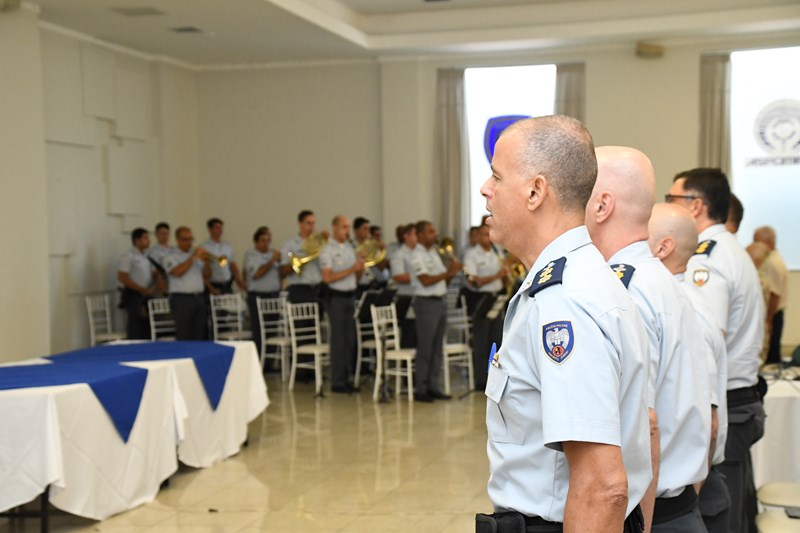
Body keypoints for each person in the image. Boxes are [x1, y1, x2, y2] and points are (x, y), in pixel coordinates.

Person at [477, 116, 651, 532]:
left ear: (535, 191)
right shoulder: (571, 282)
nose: (485, 189)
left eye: (496, 176)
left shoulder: (564, 301)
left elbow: (602, 487)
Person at [586, 146, 711, 532]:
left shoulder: (625, 289)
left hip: (654, 515)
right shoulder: (657, 278)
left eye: (582, 192)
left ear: (603, 205)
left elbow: (648, 426)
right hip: (678, 503)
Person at [668, 167, 765, 533]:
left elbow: (706, 339)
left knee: (723, 515)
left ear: (695, 206)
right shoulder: (728, 248)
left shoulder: (707, 258)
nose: (665, 206)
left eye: (671, 198)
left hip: (728, 404)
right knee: (736, 511)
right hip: (740, 398)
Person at [648, 203, 730, 533]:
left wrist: (686, 499)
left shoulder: (683, 308)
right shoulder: (682, 300)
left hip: (680, 504)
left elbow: (709, 421)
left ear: (663, 247)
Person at [409, 220, 461, 403]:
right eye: (431, 231)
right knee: (426, 348)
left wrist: (452, 272)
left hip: (440, 301)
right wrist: (448, 273)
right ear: (421, 235)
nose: (435, 234)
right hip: (426, 304)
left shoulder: (433, 254)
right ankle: (420, 388)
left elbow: (441, 282)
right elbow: (425, 280)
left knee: (437, 347)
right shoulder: (416, 255)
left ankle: (433, 386)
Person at [319, 215, 364, 394]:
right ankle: (337, 381)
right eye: (344, 227)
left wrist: (360, 268)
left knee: (350, 340)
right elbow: (328, 277)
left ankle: (347, 378)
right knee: (338, 340)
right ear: (335, 228)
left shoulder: (349, 248)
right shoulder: (327, 250)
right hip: (335, 298)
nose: (348, 231)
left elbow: (355, 278)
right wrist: (352, 269)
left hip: (350, 295)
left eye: (349, 227)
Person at [462, 223, 506, 390]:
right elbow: (474, 282)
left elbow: (503, 273)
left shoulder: (497, 251)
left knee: (497, 341)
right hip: (481, 299)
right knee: (481, 341)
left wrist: (504, 277)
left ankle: (496, 379)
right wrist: (496, 276)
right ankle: (481, 380)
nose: (487, 238)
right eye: (483, 234)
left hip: (497, 298)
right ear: (477, 237)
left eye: (489, 234)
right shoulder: (471, 255)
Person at [164, 226, 211, 340]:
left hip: (199, 297)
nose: (189, 242)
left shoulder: (196, 256)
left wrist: (206, 262)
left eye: (190, 239)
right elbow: (177, 272)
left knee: (200, 332)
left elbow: (208, 275)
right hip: (181, 299)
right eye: (185, 239)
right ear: (178, 240)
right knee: (184, 332)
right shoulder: (170, 256)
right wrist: (193, 257)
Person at [244, 226, 282, 359]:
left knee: (272, 329)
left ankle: (270, 361)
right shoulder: (251, 255)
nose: (266, 243)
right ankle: (259, 361)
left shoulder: (274, 253)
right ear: (256, 242)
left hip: (273, 295)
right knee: (260, 330)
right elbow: (257, 274)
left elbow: (281, 273)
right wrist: (272, 261)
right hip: (258, 296)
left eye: (268, 240)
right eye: (263, 240)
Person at [753, 226, 788, 365]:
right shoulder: (771, 258)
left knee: (770, 357)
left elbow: (774, 294)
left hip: (772, 314)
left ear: (767, 241)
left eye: (756, 240)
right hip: (772, 314)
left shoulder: (772, 262)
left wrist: (768, 320)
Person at [117, 227, 159, 339]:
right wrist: (140, 289)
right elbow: (122, 277)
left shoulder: (146, 256)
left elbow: (152, 274)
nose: (148, 240)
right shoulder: (129, 256)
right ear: (137, 240)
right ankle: (133, 347)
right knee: (136, 324)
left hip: (146, 294)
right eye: (145, 238)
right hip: (133, 294)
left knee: (147, 324)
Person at [280, 210, 324, 304]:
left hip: (318, 287)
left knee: (319, 317)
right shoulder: (289, 245)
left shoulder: (320, 243)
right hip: (299, 288)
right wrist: (303, 259)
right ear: (300, 224)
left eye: (313, 223)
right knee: (302, 318)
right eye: (308, 223)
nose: (312, 226)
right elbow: (283, 271)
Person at [390, 223, 419, 348]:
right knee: (409, 334)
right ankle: (406, 365)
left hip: (421, 298)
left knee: (421, 336)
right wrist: (422, 277)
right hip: (406, 298)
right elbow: (398, 276)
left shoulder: (420, 252)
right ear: (406, 236)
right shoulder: (399, 254)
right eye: (414, 234)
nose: (417, 237)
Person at [202, 217, 245, 295]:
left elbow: (232, 265)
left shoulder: (227, 246)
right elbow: (202, 271)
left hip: (227, 285)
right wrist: (211, 288)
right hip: (212, 285)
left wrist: (238, 280)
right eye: (216, 227)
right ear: (209, 229)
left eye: (220, 227)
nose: (220, 230)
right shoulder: (204, 248)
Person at [147, 222, 173, 286]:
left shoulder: (174, 250)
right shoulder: (152, 252)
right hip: (162, 283)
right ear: (156, 234)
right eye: (162, 234)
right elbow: (154, 272)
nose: (164, 236)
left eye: (166, 234)